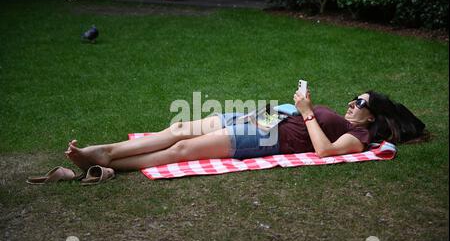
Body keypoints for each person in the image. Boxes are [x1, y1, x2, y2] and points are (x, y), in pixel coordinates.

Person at [65, 90, 427, 171]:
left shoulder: (360, 137)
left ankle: (107, 159)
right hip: (266, 118)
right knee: (178, 128)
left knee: (181, 152)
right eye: (353, 98)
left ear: (371, 117)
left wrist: (307, 112)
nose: (352, 104)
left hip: (270, 138)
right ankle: (105, 150)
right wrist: (288, 110)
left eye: (360, 103)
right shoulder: (353, 122)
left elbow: (323, 151)